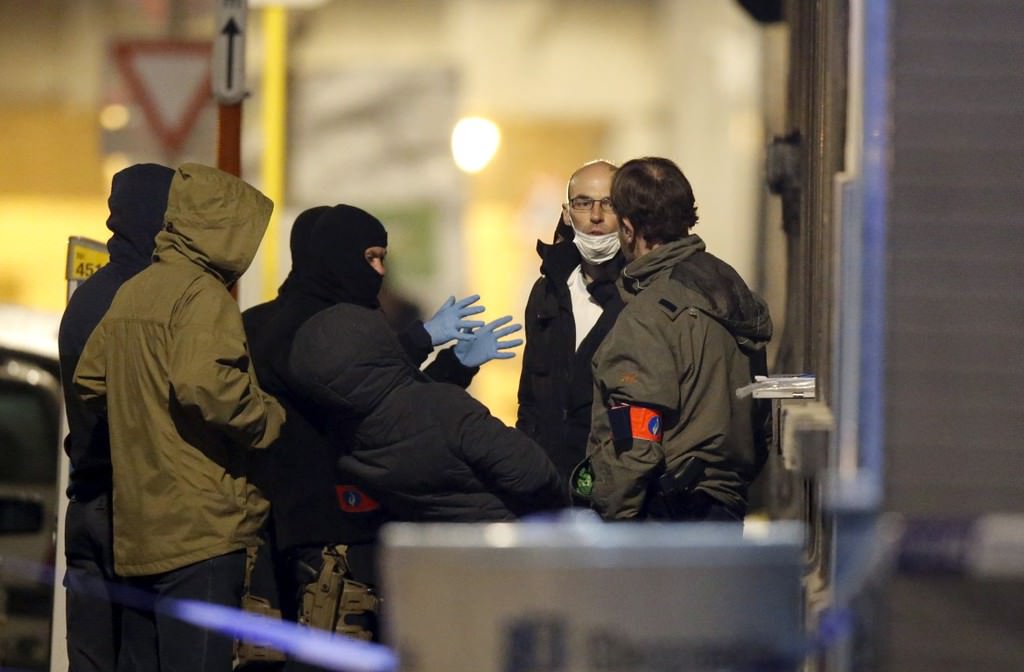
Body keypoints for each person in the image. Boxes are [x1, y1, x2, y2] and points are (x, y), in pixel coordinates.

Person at [240, 204, 492, 649]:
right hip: (328, 532)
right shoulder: (300, 328)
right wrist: (420, 340)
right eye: (370, 257)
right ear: (337, 255)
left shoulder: (289, 322)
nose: (379, 271)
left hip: (319, 528)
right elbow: (356, 389)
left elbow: (394, 407)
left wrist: (453, 366)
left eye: (383, 258)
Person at [73, 162, 287, 672]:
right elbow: (203, 384)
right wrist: (268, 416)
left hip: (138, 526)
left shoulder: (136, 289)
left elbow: (90, 379)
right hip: (200, 529)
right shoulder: (203, 295)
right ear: (225, 230)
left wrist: (141, 414)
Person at [586, 156, 773, 522]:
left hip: (666, 516)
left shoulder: (648, 314)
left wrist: (610, 517)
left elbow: (634, 443)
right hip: (726, 505)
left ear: (628, 228)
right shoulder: (730, 287)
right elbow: (760, 418)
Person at [290, 302, 570, 522]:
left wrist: (454, 365)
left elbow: (402, 413)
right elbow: (533, 474)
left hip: (441, 557)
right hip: (508, 546)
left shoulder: (347, 445)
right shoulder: (446, 409)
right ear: (379, 346)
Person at [58, 162, 174, 672]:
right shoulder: (147, 301)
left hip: (86, 502)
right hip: (132, 511)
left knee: (90, 659)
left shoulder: (88, 297)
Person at [516, 160, 625, 490]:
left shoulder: (640, 296)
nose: (596, 216)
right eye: (583, 203)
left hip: (615, 488)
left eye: (609, 204)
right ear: (566, 213)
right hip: (548, 485)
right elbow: (530, 398)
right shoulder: (547, 291)